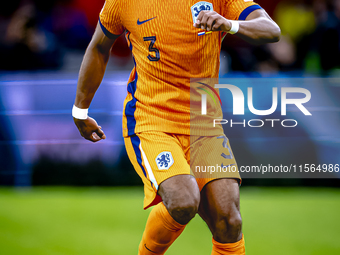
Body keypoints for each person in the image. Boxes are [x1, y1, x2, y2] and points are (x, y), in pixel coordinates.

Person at [72, 1, 280, 254]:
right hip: (152, 119)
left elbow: (271, 29)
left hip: (204, 121)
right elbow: (99, 47)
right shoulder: (123, 2)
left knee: (229, 221)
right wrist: (80, 110)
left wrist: (230, 25)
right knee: (183, 201)